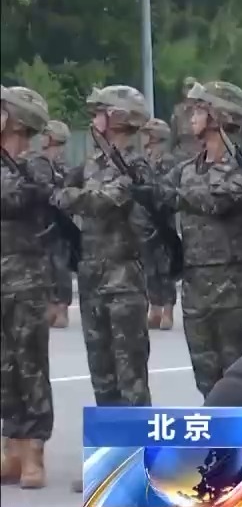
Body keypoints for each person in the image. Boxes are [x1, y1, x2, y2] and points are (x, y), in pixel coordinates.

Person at [55, 86, 155, 494]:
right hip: (93, 279)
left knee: (131, 379)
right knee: (103, 377)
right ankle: (109, 465)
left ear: (119, 118)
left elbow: (101, 202)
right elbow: (63, 191)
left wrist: (68, 196)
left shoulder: (135, 165)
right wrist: (68, 194)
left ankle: (143, 466)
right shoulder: (92, 163)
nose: (94, 118)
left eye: (101, 111)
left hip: (124, 280)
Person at [135, 82, 242, 397]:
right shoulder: (186, 169)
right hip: (195, 289)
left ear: (219, 116)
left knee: (238, 384)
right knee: (207, 384)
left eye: (200, 109)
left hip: (232, 292)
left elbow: (217, 201)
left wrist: (171, 195)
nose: (192, 115)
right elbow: (158, 195)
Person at [0, 86, 57, 489]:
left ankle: (34, 450)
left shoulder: (34, 166)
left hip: (26, 278)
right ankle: (12, 449)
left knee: (29, 363)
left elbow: (14, 198)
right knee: (4, 366)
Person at [140, 118, 178, 330]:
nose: (144, 137)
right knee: (149, 266)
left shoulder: (168, 161)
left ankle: (168, 310)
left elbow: (168, 189)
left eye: (148, 133)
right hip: (145, 219)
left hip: (163, 219)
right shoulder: (144, 159)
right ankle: (154, 307)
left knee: (164, 267)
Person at [40, 120, 74, 329]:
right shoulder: (41, 161)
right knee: (46, 264)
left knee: (61, 264)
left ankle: (62, 308)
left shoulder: (62, 164)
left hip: (60, 220)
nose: (42, 138)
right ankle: (50, 304)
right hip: (44, 219)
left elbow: (65, 188)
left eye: (46, 134)